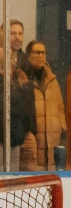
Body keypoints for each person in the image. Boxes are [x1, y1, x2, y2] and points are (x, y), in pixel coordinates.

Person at [25, 40, 66, 172]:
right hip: (33, 134)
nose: (41, 56)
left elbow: (60, 105)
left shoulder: (52, 79)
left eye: (43, 53)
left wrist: (61, 124)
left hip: (53, 134)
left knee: (51, 171)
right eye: (37, 52)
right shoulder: (23, 77)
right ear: (28, 55)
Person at [0, 44, 36, 172]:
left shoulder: (20, 76)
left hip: (15, 137)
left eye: (5, 47)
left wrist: (26, 129)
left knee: (12, 177)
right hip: (3, 135)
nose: (5, 50)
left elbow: (25, 106)